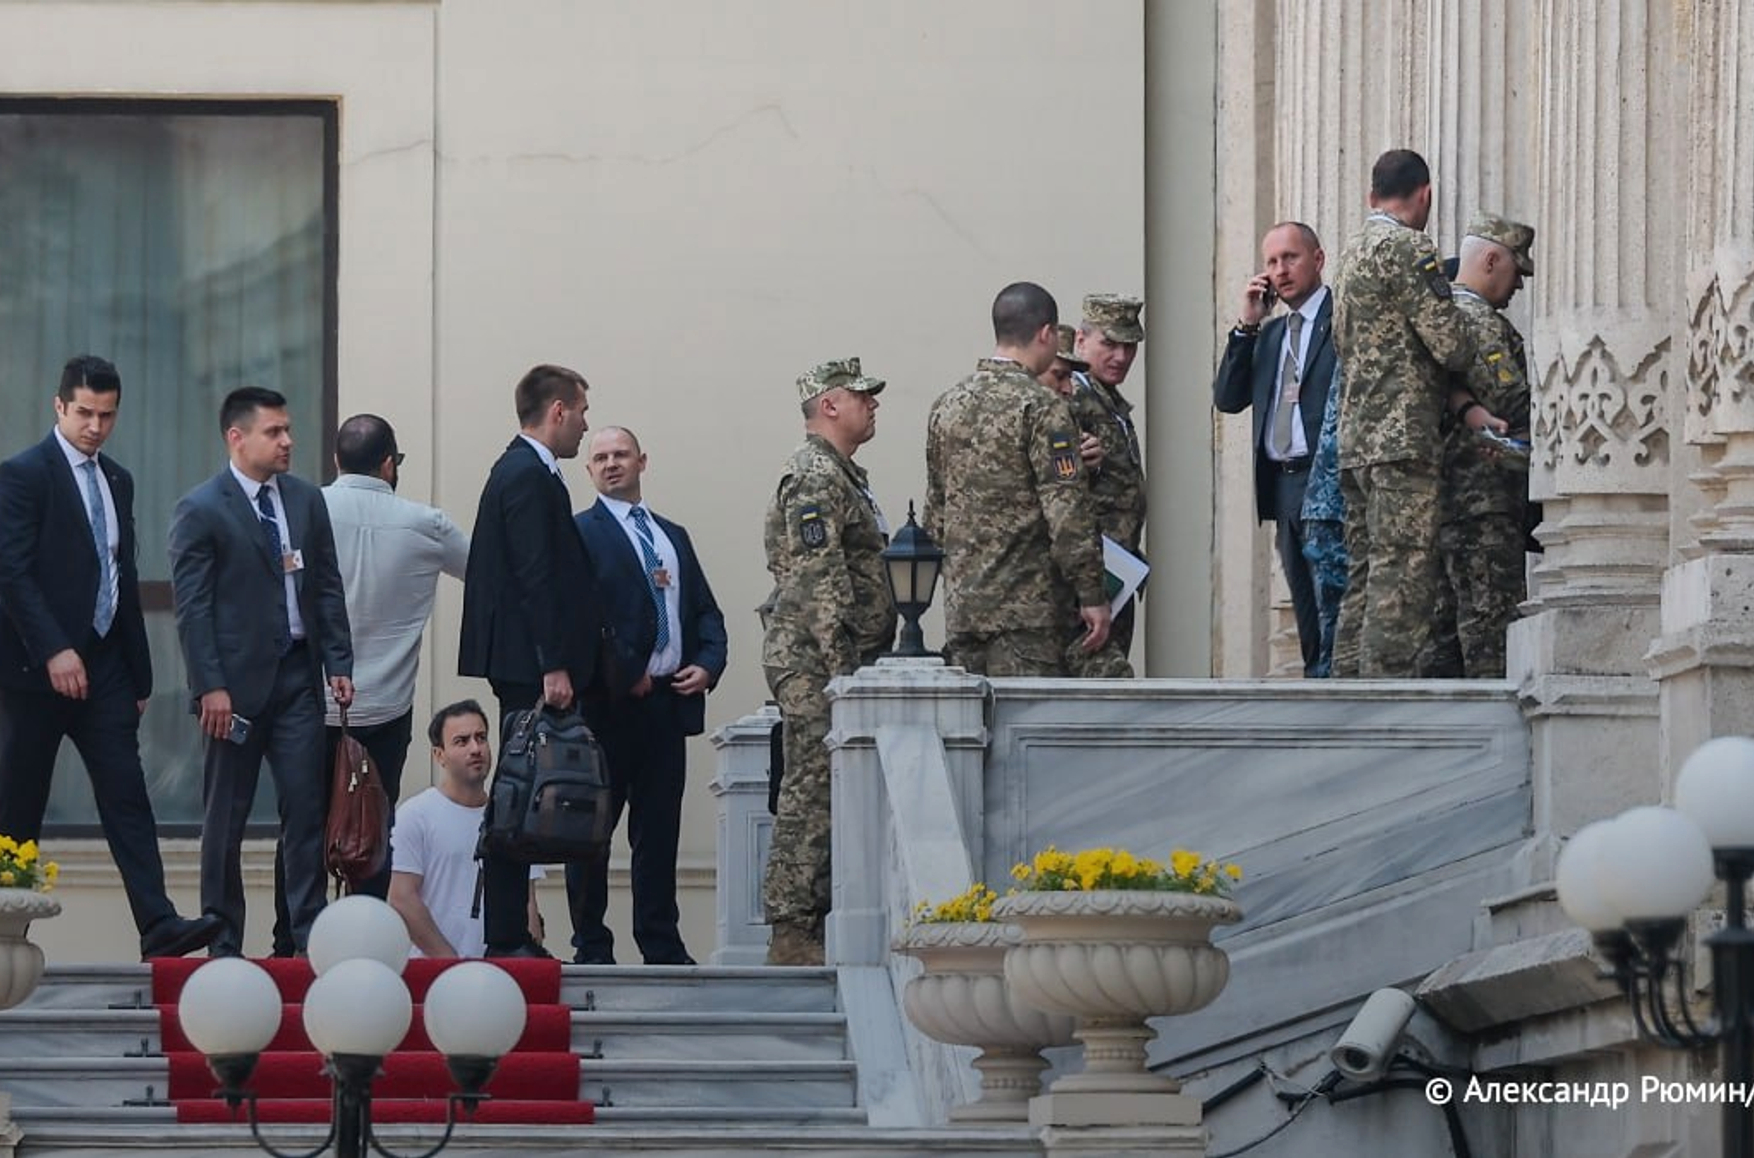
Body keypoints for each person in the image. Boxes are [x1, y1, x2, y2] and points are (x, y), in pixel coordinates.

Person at [0, 355, 221, 959]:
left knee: (127, 793)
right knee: (18, 806)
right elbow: (12, 574)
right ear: (59, 407)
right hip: (34, 673)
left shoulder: (117, 478)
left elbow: (119, 574)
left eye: (107, 415)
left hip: (106, 670)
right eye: (84, 414)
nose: (95, 426)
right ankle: (6, 933)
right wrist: (55, 649)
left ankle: (158, 923)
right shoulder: (23, 475)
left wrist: (139, 675)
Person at [268, 414, 469, 955]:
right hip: (384, 707)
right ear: (388, 465)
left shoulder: (303, 511)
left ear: (337, 461)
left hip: (308, 701)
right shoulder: (426, 525)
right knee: (374, 828)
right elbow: (484, 572)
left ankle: (291, 946)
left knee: (301, 826)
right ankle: (367, 947)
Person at [168, 386, 354, 956]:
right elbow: (193, 609)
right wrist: (210, 686)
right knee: (226, 816)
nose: (287, 441)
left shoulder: (305, 500)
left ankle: (305, 933)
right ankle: (222, 938)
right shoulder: (202, 508)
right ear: (237, 437)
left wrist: (339, 661)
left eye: (288, 429)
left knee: (306, 808)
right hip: (233, 689)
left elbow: (326, 584)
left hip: (299, 676)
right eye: (274, 432)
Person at [458, 362, 614, 957]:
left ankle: (510, 932)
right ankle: (505, 935)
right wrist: (553, 662)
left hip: (531, 660)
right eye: (582, 412)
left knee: (523, 790)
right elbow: (534, 574)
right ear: (558, 410)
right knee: (519, 792)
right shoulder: (526, 474)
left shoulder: (531, 470)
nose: (585, 426)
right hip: (530, 665)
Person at [568, 426, 727, 966]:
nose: (611, 464)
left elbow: (704, 612)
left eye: (621, 454)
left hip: (667, 704)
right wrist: (622, 671)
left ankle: (661, 943)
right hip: (606, 707)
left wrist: (708, 664)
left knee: (658, 832)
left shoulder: (671, 535)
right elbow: (579, 619)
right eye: (600, 457)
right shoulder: (580, 533)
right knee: (591, 830)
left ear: (642, 461)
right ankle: (592, 944)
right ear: (589, 470)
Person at [761, 358, 897, 966]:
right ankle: (792, 931)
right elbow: (821, 578)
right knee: (811, 789)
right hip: (817, 661)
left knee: (826, 786)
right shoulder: (815, 475)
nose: (873, 405)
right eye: (862, 396)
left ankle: (811, 921)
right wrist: (845, 673)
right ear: (830, 404)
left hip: (839, 659)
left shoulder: (843, 475)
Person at [1330, 149, 1476, 677]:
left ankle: (1346, 692)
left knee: (1364, 575)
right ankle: (1382, 696)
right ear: (1425, 194)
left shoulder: (1349, 253)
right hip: (1402, 439)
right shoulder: (1408, 248)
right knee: (1403, 577)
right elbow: (1450, 343)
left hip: (1356, 442)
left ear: (1373, 195)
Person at [925, 281, 1111, 677]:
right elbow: (1067, 513)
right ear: (1046, 334)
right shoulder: (1043, 408)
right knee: (1023, 716)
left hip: (963, 613)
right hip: (1028, 617)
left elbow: (935, 515)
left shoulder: (947, 406)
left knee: (970, 718)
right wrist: (1092, 593)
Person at [1213, 222, 1338, 677]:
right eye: (1271, 262)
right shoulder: (1269, 334)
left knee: (1337, 612)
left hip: (1329, 486)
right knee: (1306, 617)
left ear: (1318, 260)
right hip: (1284, 489)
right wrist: (1247, 325)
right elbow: (1228, 398)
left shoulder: (1342, 319)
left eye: (1290, 258)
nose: (1280, 270)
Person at [1429, 214, 1536, 678]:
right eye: (1517, 271)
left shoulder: (1437, 318)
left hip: (1442, 506)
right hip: (1483, 505)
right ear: (1492, 260)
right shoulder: (1475, 318)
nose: (1519, 286)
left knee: (1442, 652)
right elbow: (1510, 399)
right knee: (1490, 643)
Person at [389, 700, 544, 959]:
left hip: (500, 972)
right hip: (434, 974)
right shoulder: (415, 815)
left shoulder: (511, 818)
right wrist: (452, 964)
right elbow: (402, 898)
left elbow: (528, 903)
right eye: (461, 741)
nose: (475, 749)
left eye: (481, 738)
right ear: (439, 755)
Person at [1073, 293, 1148, 658]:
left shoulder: (1108, 400)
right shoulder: (1071, 397)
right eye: (1110, 344)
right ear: (1081, 340)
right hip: (1088, 576)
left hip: (1117, 571)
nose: (1121, 357)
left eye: (1129, 346)